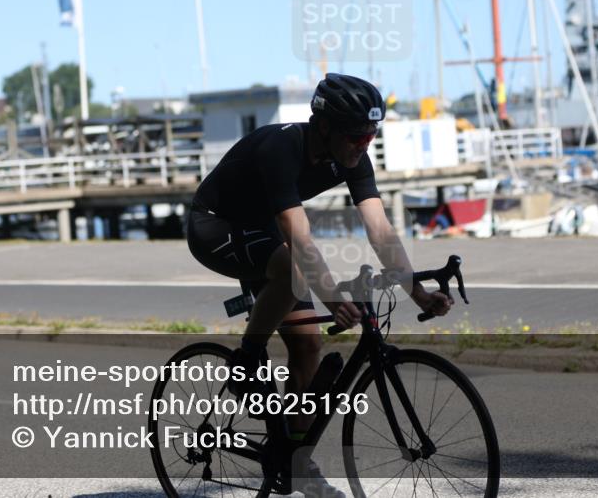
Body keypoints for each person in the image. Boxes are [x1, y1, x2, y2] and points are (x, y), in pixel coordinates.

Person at [187, 73, 453, 496]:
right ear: (324, 126)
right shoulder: (281, 148)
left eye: (371, 136)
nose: (363, 145)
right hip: (215, 226)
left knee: (308, 346)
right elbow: (300, 236)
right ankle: (246, 358)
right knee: (295, 271)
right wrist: (333, 298)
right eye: (355, 136)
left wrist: (417, 292)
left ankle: (294, 458)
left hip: (260, 232)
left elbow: (381, 230)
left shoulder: (353, 158)